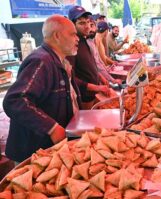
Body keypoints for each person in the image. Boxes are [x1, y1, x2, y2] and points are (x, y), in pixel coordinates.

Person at [3, 15, 102, 162]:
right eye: (73, 34)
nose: (77, 38)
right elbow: (15, 100)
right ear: (57, 36)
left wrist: (95, 87)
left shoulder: (60, 60)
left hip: (52, 149)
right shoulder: (41, 61)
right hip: (34, 154)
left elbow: (68, 86)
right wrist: (52, 127)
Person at [67, 6, 110, 109]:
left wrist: (100, 77)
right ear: (72, 24)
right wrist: (95, 87)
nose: (87, 26)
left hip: (94, 94)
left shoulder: (85, 41)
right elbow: (71, 78)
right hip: (84, 97)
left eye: (87, 22)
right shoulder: (71, 46)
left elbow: (90, 65)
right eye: (81, 23)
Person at [87, 16, 122, 85]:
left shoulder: (97, 39)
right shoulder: (96, 40)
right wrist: (111, 79)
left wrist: (111, 63)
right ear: (106, 31)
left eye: (92, 25)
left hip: (102, 74)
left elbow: (100, 58)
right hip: (98, 77)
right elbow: (97, 62)